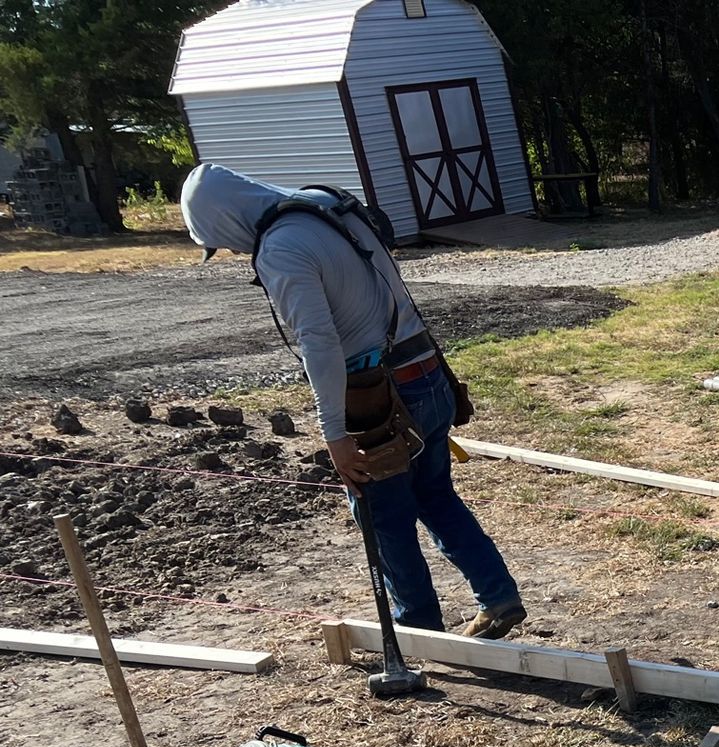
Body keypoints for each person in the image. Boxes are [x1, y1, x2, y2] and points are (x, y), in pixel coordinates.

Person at [180, 163, 525, 637]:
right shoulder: (326, 203)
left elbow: (319, 343)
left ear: (223, 219)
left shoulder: (279, 248)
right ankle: (498, 595)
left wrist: (335, 433)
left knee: (383, 517)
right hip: (427, 372)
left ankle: (417, 632)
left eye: (223, 242)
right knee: (435, 495)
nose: (236, 251)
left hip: (380, 398)